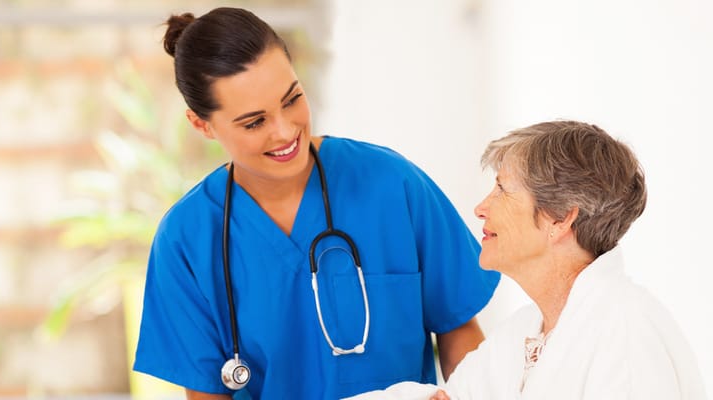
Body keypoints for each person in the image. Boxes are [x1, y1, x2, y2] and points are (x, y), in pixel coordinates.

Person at [133, 7, 501, 399]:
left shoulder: (391, 184)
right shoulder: (186, 239)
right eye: (254, 122)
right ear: (201, 124)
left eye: (292, 99)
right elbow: (206, 391)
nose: (286, 131)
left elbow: (458, 327)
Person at [348, 121, 706, 400]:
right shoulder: (525, 333)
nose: (481, 208)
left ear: (559, 218)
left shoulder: (624, 333)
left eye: (503, 189)